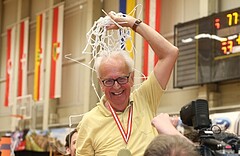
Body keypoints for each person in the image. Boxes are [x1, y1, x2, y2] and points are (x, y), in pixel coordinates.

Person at [76, 11, 179, 156]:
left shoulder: (145, 99)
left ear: (131, 78)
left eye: (121, 79)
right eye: (109, 81)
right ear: (100, 83)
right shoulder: (89, 122)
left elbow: (170, 53)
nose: (116, 86)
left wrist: (133, 23)